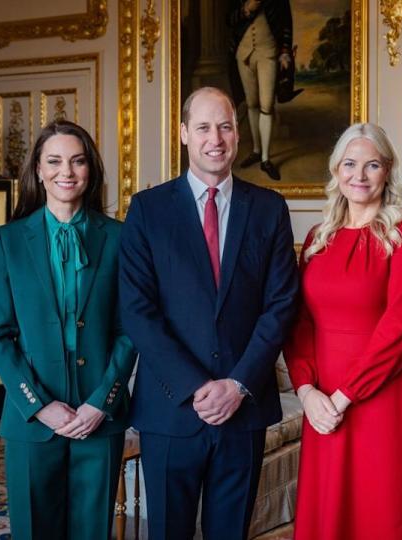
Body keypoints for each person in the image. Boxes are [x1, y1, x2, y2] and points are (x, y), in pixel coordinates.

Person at [119, 86, 299, 540]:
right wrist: (197, 387)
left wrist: (237, 385)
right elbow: (139, 311)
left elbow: (280, 306)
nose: (214, 138)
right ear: (183, 133)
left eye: (224, 126)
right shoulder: (147, 210)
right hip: (171, 410)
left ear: (238, 134)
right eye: (203, 127)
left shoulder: (269, 209)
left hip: (244, 410)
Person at [0, 120, 137, 540]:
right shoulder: (9, 240)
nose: (65, 171)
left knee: (92, 532)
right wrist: (39, 405)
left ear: (91, 170)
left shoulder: (120, 238)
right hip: (31, 416)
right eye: (54, 161)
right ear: (37, 169)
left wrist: (100, 403)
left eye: (77, 161)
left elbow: (129, 330)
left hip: (98, 414)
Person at [284, 122, 402, 540]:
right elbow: (299, 323)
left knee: (381, 512)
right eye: (350, 164)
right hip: (322, 403)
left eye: (372, 165)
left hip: (377, 400)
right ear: (335, 170)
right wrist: (306, 391)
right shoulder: (317, 238)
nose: (359, 176)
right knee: (329, 510)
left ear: (387, 171)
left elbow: (400, 329)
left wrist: (344, 396)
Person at [228, 0, 297, 181]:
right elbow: (229, 20)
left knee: (266, 105)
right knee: (252, 104)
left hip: (268, 52)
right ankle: (257, 150)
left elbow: (286, 23)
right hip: (242, 53)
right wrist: (245, 10)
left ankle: (266, 159)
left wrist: (285, 51)